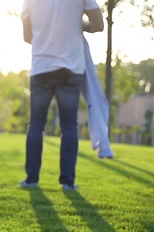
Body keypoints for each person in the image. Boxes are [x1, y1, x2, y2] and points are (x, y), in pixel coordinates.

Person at [19, 0, 104, 190]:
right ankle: (67, 183)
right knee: (68, 127)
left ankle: (31, 180)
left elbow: (27, 37)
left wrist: (48, 35)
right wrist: (79, 25)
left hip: (41, 68)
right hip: (70, 68)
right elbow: (98, 25)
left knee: (36, 126)